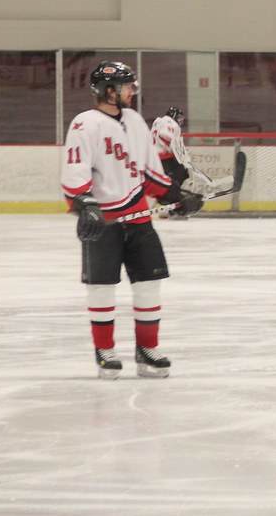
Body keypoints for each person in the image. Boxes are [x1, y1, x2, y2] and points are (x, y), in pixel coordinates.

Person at [61, 62, 203, 379]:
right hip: (103, 220)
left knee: (149, 283)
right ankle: (105, 351)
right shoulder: (85, 124)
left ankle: (147, 349)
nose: (131, 92)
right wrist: (84, 203)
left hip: (138, 217)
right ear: (109, 90)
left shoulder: (136, 121)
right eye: (127, 87)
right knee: (101, 288)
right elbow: (75, 171)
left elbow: (150, 172)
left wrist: (177, 196)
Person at [151, 106, 191, 188]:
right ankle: (173, 193)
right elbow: (164, 134)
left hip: (152, 159)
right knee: (182, 172)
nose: (180, 121)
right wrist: (170, 146)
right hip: (162, 159)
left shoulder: (158, 121)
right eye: (179, 118)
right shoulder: (171, 122)